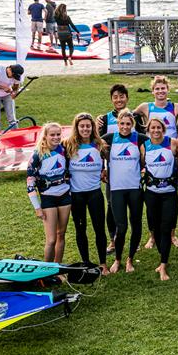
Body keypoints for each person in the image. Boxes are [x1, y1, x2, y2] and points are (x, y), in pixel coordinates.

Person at [134, 76, 178, 248]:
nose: (160, 91)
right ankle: (152, 236)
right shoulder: (145, 107)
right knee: (152, 202)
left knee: (171, 199)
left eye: (163, 88)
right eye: (157, 89)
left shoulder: (176, 107)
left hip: (170, 151)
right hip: (152, 151)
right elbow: (129, 117)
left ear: (168, 90)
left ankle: (172, 234)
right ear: (152, 91)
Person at [97, 84, 142, 254]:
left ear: (127, 98)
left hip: (132, 172)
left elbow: (143, 142)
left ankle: (134, 241)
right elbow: (99, 146)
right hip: (113, 173)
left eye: (122, 96)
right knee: (112, 206)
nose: (118, 100)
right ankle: (113, 240)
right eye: (115, 97)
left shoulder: (136, 117)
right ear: (111, 99)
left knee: (134, 209)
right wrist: (103, 168)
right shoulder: (105, 119)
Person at [102, 109, 147, 274]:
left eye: (128, 124)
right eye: (122, 123)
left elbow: (158, 142)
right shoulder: (109, 138)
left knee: (136, 225)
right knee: (121, 226)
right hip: (117, 190)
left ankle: (129, 259)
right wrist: (102, 169)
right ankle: (118, 259)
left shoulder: (139, 138)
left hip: (135, 189)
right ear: (117, 124)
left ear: (132, 125)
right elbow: (93, 147)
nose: (125, 127)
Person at [63, 113, 109, 275]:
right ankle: (86, 263)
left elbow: (110, 161)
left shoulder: (99, 145)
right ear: (76, 128)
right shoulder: (68, 145)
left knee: (99, 229)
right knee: (80, 229)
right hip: (77, 195)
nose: (85, 129)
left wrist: (105, 172)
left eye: (88, 126)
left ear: (92, 127)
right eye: (81, 126)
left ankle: (103, 263)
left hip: (95, 194)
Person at [142, 116, 178, 281]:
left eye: (159, 128)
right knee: (155, 227)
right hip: (151, 193)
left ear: (163, 129)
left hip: (169, 193)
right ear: (148, 130)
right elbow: (141, 163)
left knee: (166, 228)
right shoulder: (144, 146)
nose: (156, 131)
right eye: (153, 128)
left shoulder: (173, 143)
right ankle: (162, 255)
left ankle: (163, 265)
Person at [26, 122, 71, 263]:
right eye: (52, 135)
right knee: (51, 240)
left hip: (65, 197)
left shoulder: (64, 149)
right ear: (45, 136)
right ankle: (47, 270)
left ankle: (58, 269)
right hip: (48, 199)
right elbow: (30, 183)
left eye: (58, 134)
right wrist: (37, 207)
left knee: (61, 234)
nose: (56, 137)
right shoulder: (37, 155)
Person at [0, 63, 23, 132]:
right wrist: (3, 87)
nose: (13, 78)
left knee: (12, 119)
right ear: (9, 69)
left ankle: (15, 137)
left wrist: (14, 93)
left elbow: (15, 88)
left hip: (7, 95)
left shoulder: (17, 76)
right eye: (13, 75)